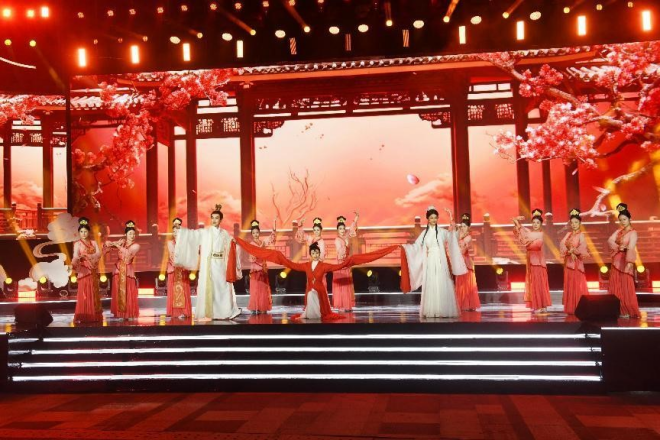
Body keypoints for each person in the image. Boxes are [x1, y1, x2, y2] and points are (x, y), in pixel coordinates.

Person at [235, 238, 398, 322]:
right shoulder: (306, 265)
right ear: (310, 254)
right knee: (310, 300)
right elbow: (292, 265)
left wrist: (349, 261)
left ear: (319, 254)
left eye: (316, 253)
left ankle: (318, 313)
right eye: (312, 253)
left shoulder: (324, 265)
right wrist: (280, 258)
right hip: (310, 290)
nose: (314, 255)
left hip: (319, 291)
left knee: (319, 305)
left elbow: (337, 266)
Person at [174, 204, 242, 320]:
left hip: (221, 264)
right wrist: (181, 231)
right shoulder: (205, 232)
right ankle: (213, 313)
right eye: (212, 218)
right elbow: (192, 235)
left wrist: (234, 244)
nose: (214, 220)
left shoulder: (225, 233)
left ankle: (226, 311)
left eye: (217, 218)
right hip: (210, 265)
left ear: (221, 220)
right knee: (212, 289)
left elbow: (231, 246)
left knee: (224, 287)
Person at [400, 206, 467, 318]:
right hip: (430, 261)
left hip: (441, 261)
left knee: (441, 282)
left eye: (435, 217)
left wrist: (452, 223)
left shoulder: (441, 232)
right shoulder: (424, 233)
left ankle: (443, 310)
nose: (434, 220)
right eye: (431, 218)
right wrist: (405, 247)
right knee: (431, 283)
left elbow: (452, 237)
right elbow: (416, 246)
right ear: (428, 219)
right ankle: (432, 310)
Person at [513, 209, 552, 313]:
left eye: (537, 223)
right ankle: (541, 305)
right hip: (532, 260)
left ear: (541, 224)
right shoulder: (531, 233)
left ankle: (540, 305)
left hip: (537, 261)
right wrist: (517, 223)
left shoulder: (539, 234)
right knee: (535, 283)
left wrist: (519, 225)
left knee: (538, 283)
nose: (535, 224)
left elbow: (527, 240)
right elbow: (522, 233)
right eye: (533, 222)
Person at [607, 203, 641, 319]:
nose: (622, 222)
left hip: (626, 261)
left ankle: (627, 310)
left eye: (624, 219)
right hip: (616, 261)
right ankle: (617, 310)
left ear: (630, 219)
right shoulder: (618, 231)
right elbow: (610, 240)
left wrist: (630, 262)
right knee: (616, 285)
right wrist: (618, 247)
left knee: (625, 286)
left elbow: (631, 247)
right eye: (620, 220)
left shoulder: (633, 233)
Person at [106, 220, 140, 320]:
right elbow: (108, 247)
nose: (132, 236)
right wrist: (110, 244)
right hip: (118, 269)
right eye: (130, 234)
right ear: (126, 234)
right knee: (119, 291)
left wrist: (118, 246)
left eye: (133, 234)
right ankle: (120, 313)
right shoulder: (122, 242)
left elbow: (128, 254)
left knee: (128, 291)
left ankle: (129, 312)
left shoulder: (136, 245)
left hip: (128, 269)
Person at [71, 217, 103, 323]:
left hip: (92, 270)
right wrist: (74, 263)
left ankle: (93, 314)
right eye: (81, 231)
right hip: (83, 271)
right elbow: (76, 256)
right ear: (79, 233)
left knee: (93, 292)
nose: (83, 234)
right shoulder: (77, 244)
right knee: (84, 293)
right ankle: (84, 314)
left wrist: (87, 256)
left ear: (88, 232)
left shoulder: (93, 243)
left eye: (85, 231)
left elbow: (98, 254)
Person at [559, 209, 589, 314]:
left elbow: (583, 248)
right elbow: (562, 245)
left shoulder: (581, 235)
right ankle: (571, 307)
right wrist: (569, 251)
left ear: (580, 223)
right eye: (572, 223)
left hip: (576, 263)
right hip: (568, 262)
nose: (574, 224)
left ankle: (579, 306)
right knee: (569, 285)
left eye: (576, 222)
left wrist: (574, 251)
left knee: (577, 284)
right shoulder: (568, 234)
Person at [247, 218, 277, 314]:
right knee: (255, 289)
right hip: (256, 270)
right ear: (251, 234)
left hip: (262, 269)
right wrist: (259, 251)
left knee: (263, 289)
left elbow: (271, 239)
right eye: (254, 233)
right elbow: (252, 258)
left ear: (259, 233)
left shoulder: (262, 242)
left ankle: (262, 306)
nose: (255, 234)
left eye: (257, 232)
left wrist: (274, 226)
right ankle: (255, 307)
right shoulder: (251, 244)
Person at [332, 212, 359, 312]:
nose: (342, 230)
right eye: (340, 229)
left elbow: (351, 229)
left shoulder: (346, 236)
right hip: (340, 264)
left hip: (346, 264)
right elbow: (340, 253)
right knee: (341, 284)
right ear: (337, 230)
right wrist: (346, 245)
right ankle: (341, 305)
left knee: (347, 284)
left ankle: (347, 305)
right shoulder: (337, 240)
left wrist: (356, 218)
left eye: (343, 228)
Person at [166, 218, 192, 319]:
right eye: (174, 231)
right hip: (173, 269)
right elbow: (173, 255)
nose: (176, 233)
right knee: (174, 291)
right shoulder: (170, 243)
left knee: (183, 291)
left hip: (182, 270)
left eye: (178, 231)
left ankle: (184, 312)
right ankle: (174, 312)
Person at [454, 213, 480, 311]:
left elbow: (462, 250)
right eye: (462, 226)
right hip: (460, 262)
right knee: (460, 284)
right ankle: (461, 304)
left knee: (466, 285)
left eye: (464, 226)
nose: (462, 228)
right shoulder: (460, 236)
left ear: (468, 227)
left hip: (466, 262)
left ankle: (468, 304)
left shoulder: (468, 237)